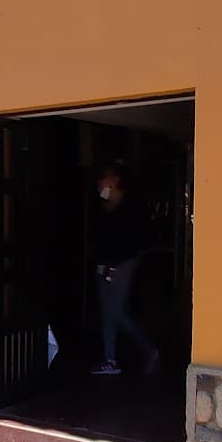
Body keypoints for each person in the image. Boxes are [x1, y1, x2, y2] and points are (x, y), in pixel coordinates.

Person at [89, 161, 159, 376]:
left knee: (117, 313)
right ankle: (110, 359)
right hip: (104, 265)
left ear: (115, 180)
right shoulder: (102, 206)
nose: (101, 182)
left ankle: (149, 350)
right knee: (108, 314)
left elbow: (139, 238)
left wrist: (129, 262)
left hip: (122, 265)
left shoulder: (130, 206)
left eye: (105, 177)